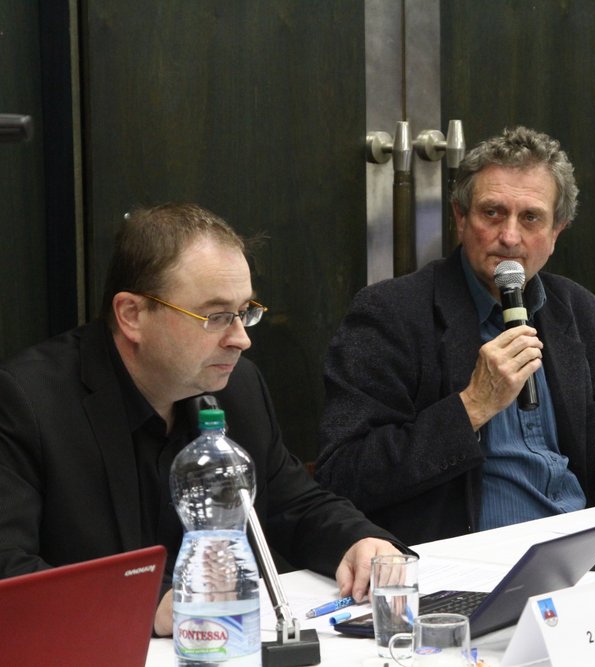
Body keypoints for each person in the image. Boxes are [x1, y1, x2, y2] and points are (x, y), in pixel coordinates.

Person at [315, 126, 595, 545]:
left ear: (557, 231)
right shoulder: (392, 313)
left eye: (530, 218)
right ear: (460, 217)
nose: (509, 236)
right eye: (492, 213)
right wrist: (472, 407)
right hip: (467, 556)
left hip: (578, 545)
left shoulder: (583, 315)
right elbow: (345, 475)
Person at [0, 203, 404, 636]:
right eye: (216, 317)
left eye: (244, 311)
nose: (241, 339)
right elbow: (9, 567)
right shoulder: (30, 402)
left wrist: (358, 541)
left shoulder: (237, 387)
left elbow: (293, 505)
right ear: (132, 315)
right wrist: (153, 605)